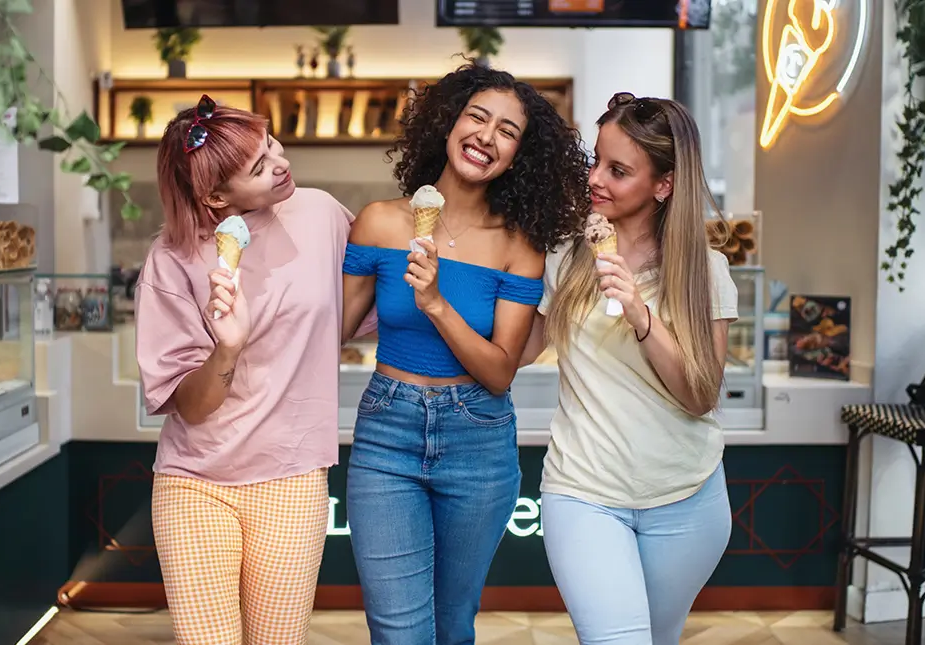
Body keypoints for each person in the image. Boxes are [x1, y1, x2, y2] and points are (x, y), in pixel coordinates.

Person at [341, 63, 590, 644]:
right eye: (477, 117)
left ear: (518, 155)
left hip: (478, 440)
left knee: (452, 627)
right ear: (448, 124)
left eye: (508, 131)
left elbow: (500, 371)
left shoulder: (518, 247)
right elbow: (334, 330)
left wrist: (435, 302)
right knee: (399, 631)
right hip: (387, 435)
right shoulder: (379, 223)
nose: (486, 135)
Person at [134, 95, 373, 645]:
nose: (281, 163)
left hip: (292, 476)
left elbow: (366, 308)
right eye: (260, 168)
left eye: (272, 145)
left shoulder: (320, 214)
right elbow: (189, 406)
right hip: (195, 484)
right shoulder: (171, 260)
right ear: (216, 196)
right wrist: (227, 349)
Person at [520, 93, 738, 645]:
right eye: (597, 160)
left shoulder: (705, 272)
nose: (596, 178)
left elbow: (701, 396)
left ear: (663, 184)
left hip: (688, 499)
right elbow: (516, 354)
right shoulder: (567, 258)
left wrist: (642, 316)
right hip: (584, 490)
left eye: (617, 170)